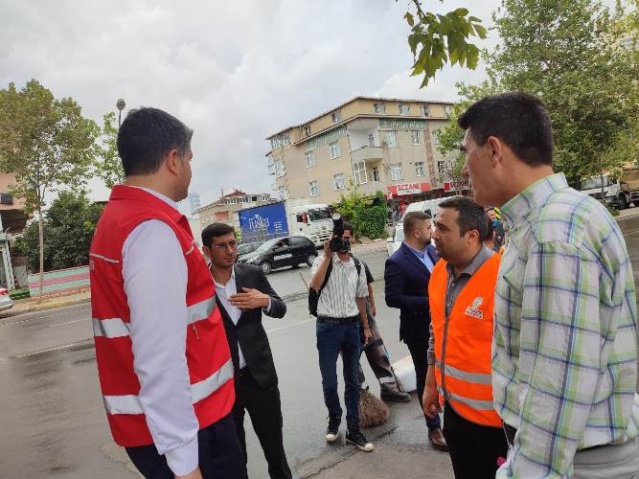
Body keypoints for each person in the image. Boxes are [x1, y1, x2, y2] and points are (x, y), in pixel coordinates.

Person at [459, 92, 639, 478]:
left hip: (577, 461)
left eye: (466, 152)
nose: (463, 168)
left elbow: (556, 389)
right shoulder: (557, 217)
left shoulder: (553, 231)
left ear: (494, 150)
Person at [90, 107, 245, 479]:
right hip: (192, 431)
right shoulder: (151, 231)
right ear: (173, 160)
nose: (191, 169)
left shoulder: (125, 220)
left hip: (181, 424)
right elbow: (159, 358)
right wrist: (184, 464)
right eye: (189, 159)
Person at [422, 196, 508, 479]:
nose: (434, 234)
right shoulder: (438, 274)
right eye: (434, 226)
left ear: (471, 236)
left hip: (498, 423)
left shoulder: (503, 278)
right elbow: (437, 332)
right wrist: (431, 382)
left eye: (443, 229)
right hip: (455, 414)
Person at [201, 223, 292, 479]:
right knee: (234, 457)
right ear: (207, 250)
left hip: (260, 378)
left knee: (275, 450)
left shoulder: (251, 275)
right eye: (222, 246)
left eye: (232, 243)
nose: (230, 250)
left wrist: (264, 301)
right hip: (224, 383)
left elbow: (281, 308)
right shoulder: (198, 286)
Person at [384, 211, 448, 452]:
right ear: (417, 232)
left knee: (447, 374)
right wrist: (429, 302)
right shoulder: (397, 261)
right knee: (426, 376)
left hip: (443, 325)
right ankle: (434, 427)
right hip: (419, 330)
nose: (434, 232)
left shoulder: (434, 252)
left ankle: (452, 420)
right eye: (430, 227)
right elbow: (392, 298)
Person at [310, 221, 374, 452]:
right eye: (341, 238)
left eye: (348, 238)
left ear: (352, 240)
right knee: (329, 381)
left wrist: (366, 327)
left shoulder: (357, 266)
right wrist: (327, 257)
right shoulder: (322, 261)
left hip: (351, 327)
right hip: (327, 327)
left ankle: (354, 429)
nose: (344, 242)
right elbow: (315, 287)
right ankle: (334, 417)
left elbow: (360, 298)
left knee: (352, 381)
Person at [354, 241, 410, 402]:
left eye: (347, 238)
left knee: (379, 355)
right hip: (347, 325)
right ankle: (363, 400)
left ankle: (390, 390)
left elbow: (369, 286)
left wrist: (372, 304)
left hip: (368, 322)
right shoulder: (332, 268)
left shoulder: (359, 264)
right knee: (353, 365)